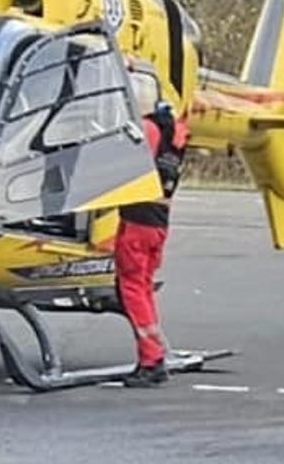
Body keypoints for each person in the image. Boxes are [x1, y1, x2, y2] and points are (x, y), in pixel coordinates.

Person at [118, 99, 188, 388]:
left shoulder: (147, 130)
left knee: (132, 289)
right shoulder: (177, 136)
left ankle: (151, 360)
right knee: (144, 288)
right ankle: (154, 354)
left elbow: (123, 164)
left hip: (137, 222)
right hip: (159, 223)